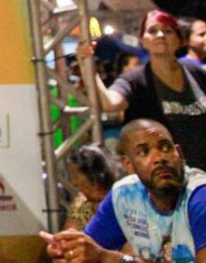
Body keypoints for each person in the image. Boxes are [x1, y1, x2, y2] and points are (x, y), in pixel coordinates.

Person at [41, 119, 206, 263]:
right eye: (144, 152)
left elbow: (102, 256)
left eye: (165, 147)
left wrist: (109, 259)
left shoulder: (199, 196)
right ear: (129, 165)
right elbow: (90, 249)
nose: (159, 158)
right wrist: (70, 251)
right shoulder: (124, 196)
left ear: (180, 154)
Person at [80, 10, 206, 169]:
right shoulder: (135, 79)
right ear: (143, 40)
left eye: (168, 30)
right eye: (152, 31)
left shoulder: (195, 72)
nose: (160, 35)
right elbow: (110, 103)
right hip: (163, 176)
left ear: (179, 40)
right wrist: (88, 67)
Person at [63, 144, 125, 231]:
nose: (73, 183)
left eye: (75, 176)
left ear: (94, 175)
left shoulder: (124, 198)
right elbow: (69, 236)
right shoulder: (81, 203)